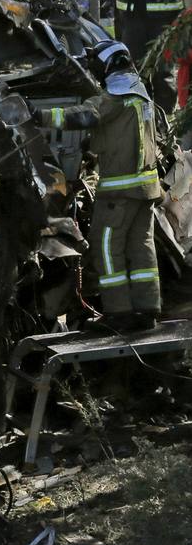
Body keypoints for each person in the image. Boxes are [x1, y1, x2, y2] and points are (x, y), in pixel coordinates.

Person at [39, 41, 162, 331]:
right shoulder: (140, 95)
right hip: (145, 189)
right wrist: (93, 143)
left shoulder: (115, 97)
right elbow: (120, 135)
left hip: (119, 192)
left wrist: (36, 116)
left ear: (108, 66)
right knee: (141, 247)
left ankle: (119, 314)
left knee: (107, 248)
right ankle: (147, 310)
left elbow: (82, 115)